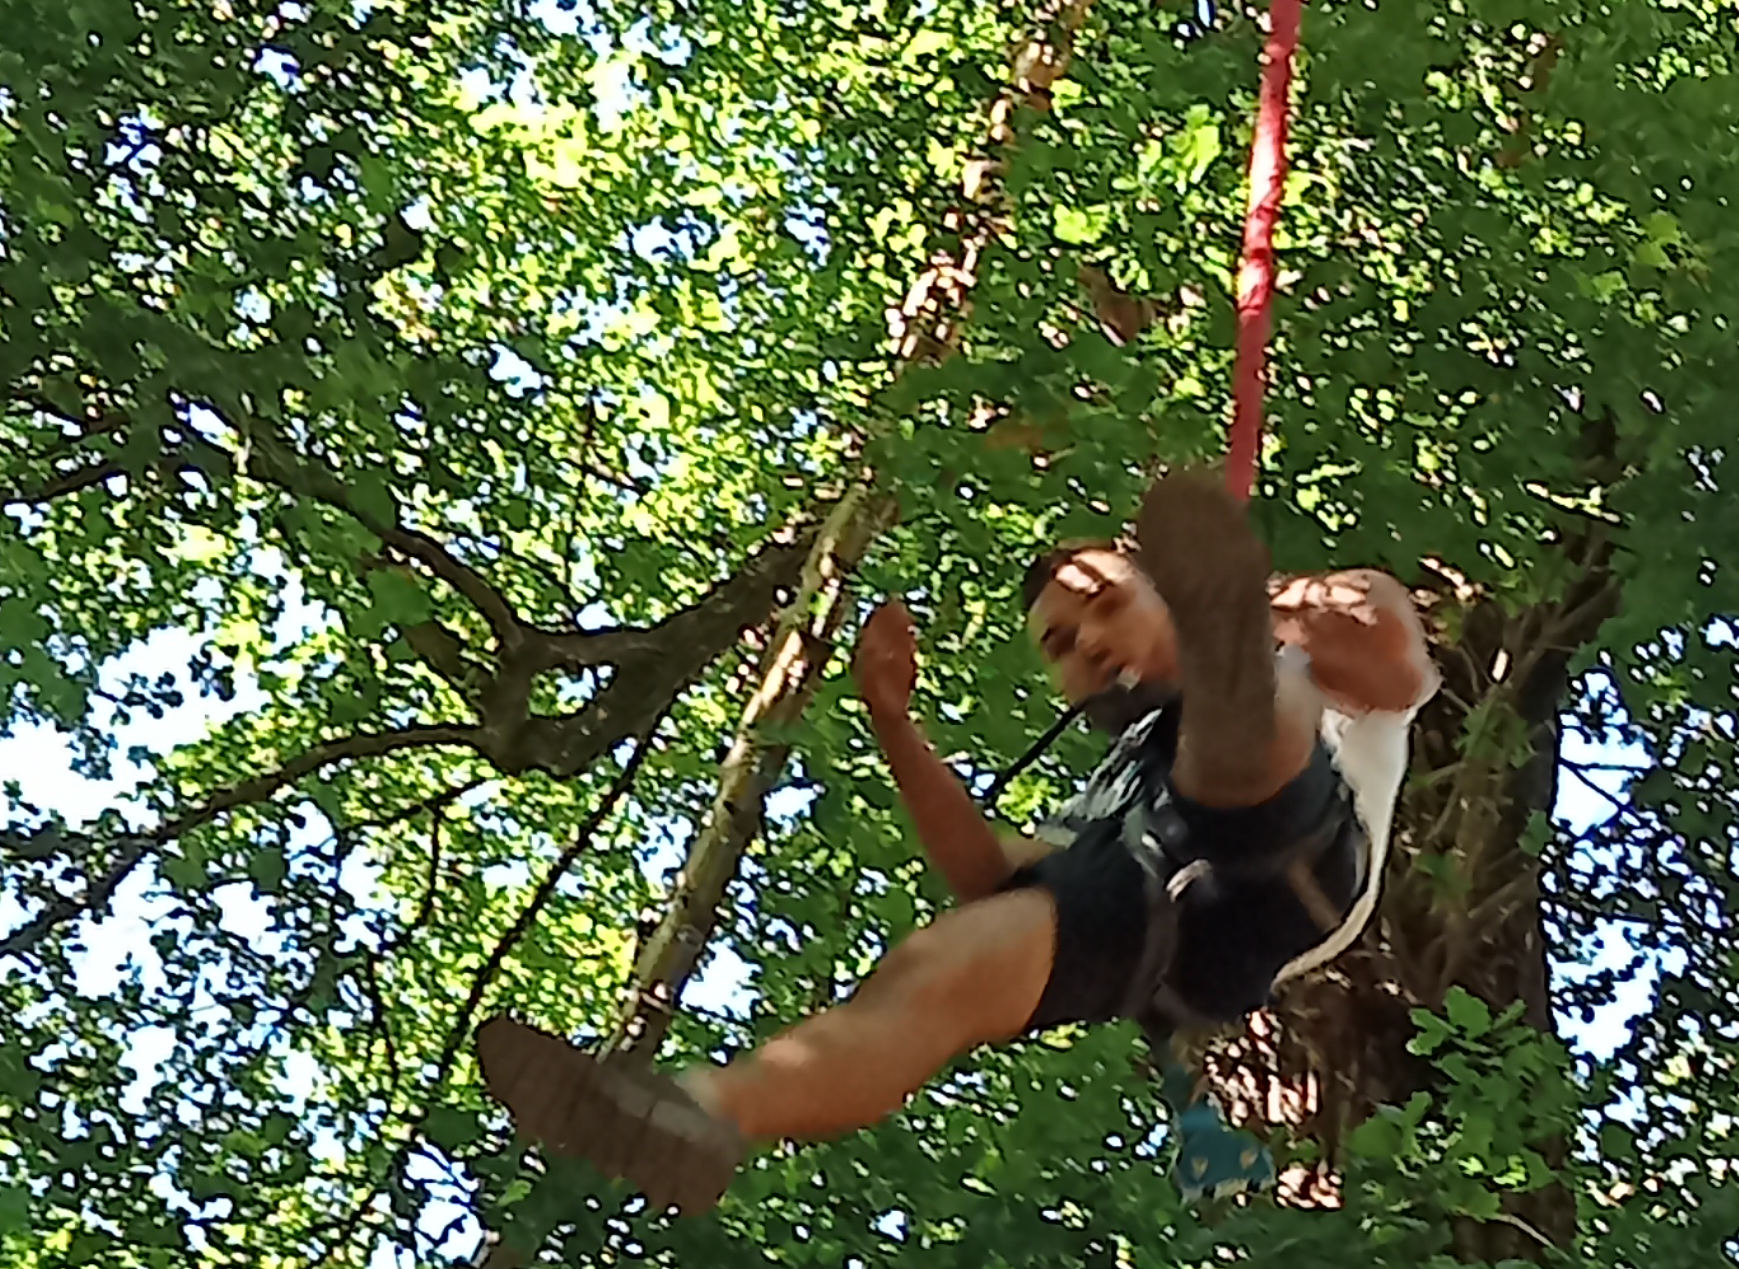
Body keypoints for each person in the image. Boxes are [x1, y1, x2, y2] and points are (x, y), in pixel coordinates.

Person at [475, 469, 1439, 1213]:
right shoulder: (1113, 789)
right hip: (1162, 928)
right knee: (938, 965)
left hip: (1292, 861)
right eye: (1061, 644)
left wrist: (1243, 606)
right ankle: (701, 1114)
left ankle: (1229, 688)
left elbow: (1394, 656)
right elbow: (988, 871)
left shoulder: (1299, 635)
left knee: (1254, 721)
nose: (1088, 643)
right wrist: (893, 723)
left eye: (1106, 605)